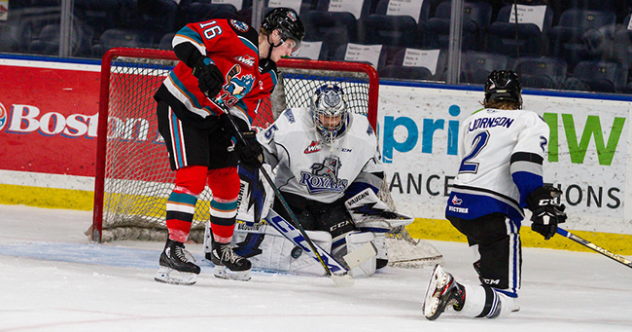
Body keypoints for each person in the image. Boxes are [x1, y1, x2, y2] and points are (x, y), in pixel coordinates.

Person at [153, 8, 305, 285]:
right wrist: (201, 65)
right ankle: (172, 250)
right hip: (181, 106)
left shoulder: (268, 75)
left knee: (228, 184)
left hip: (214, 117)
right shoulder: (236, 33)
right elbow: (184, 37)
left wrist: (243, 138)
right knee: (193, 177)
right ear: (275, 35)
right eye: (290, 44)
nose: (290, 52)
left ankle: (222, 250)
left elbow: (245, 108)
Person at [422, 70, 567, 319]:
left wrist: (534, 199)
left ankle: (487, 274)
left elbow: (481, 174)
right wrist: (540, 201)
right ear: (519, 95)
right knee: (507, 301)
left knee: (484, 237)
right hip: (492, 214)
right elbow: (523, 166)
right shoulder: (529, 119)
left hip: (459, 207)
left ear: (487, 95)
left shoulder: (472, 121)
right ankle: (456, 291)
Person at [235, 84, 405, 277]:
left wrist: (357, 201)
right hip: (292, 201)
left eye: (336, 117)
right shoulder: (291, 123)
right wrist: (257, 158)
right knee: (295, 254)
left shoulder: (362, 131)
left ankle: (336, 246)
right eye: (326, 116)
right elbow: (262, 153)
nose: (332, 122)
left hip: (334, 204)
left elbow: (371, 173)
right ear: (314, 113)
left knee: (365, 258)